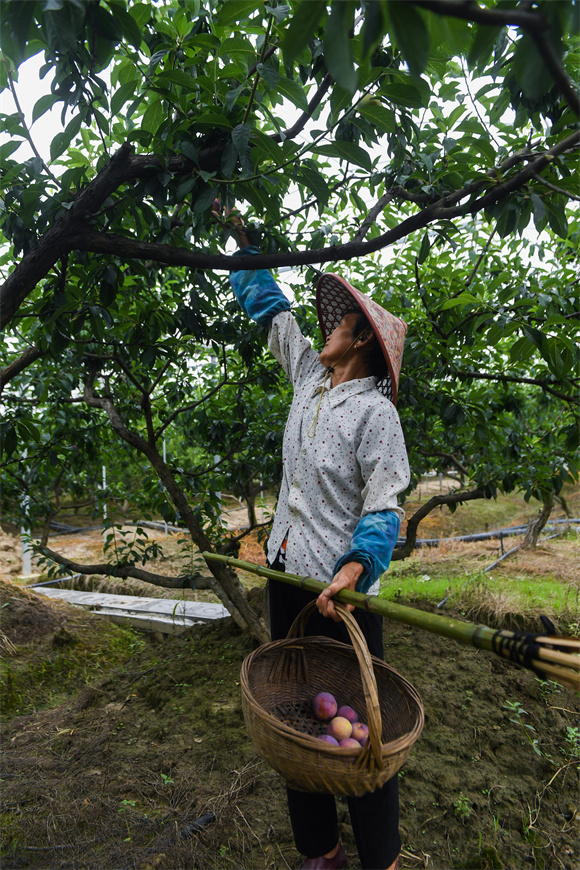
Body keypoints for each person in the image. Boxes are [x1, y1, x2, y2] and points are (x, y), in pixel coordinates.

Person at [226, 214, 410, 870]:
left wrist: (358, 568)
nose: (325, 330)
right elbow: (271, 312)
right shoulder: (307, 381)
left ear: (358, 340)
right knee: (297, 717)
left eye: (337, 324)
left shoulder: (375, 414)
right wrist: (247, 251)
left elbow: (384, 505)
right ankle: (320, 850)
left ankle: (380, 855)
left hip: (342, 592)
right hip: (288, 578)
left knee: (362, 731)